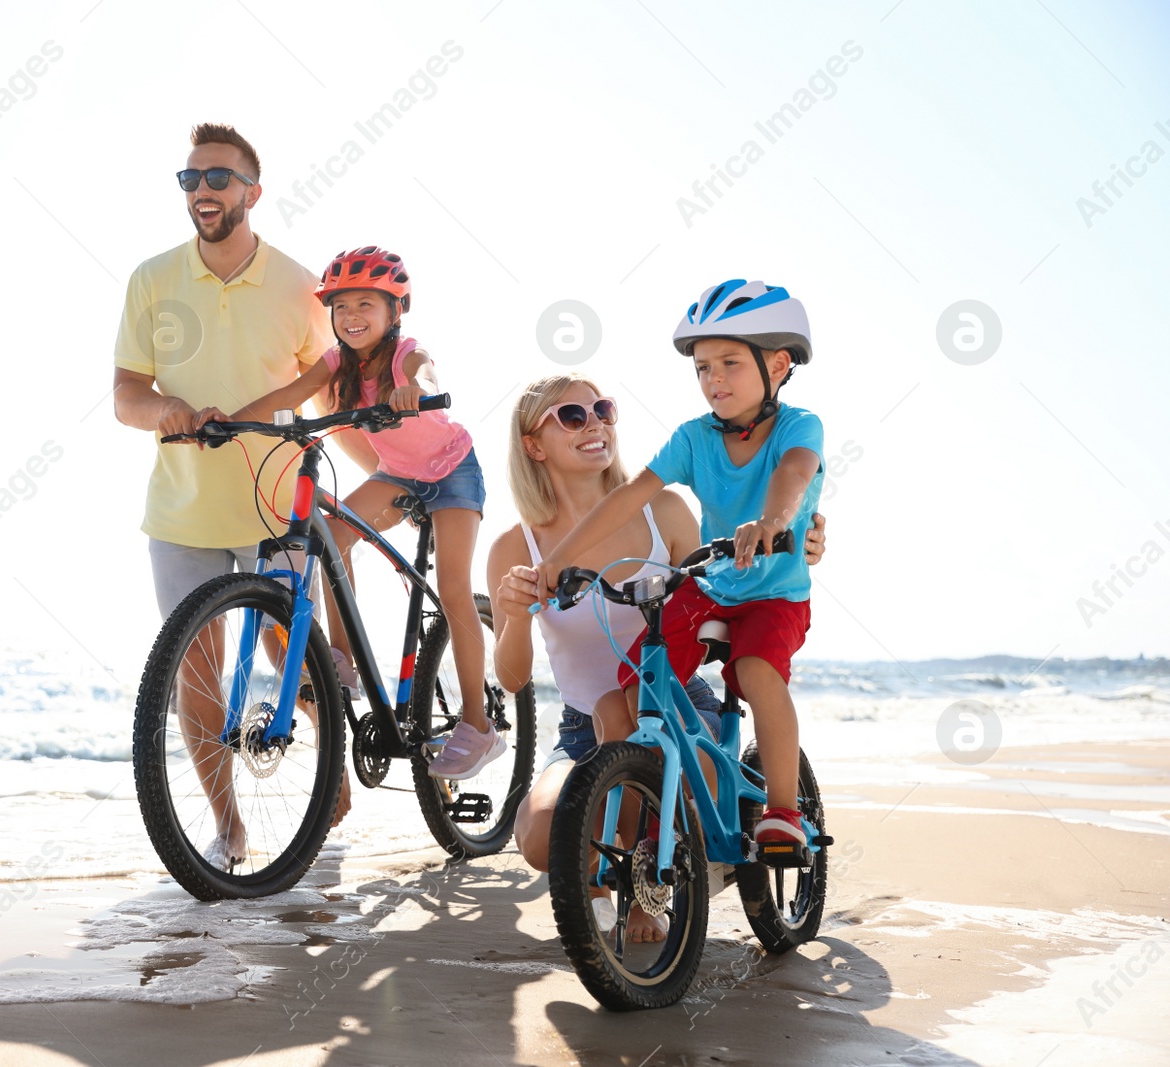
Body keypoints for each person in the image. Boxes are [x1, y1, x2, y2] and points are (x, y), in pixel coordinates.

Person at [493, 372, 826, 939]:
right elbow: (513, 677)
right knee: (543, 836)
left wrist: (798, 535)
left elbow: (724, 585)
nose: (595, 422)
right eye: (572, 416)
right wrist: (517, 614)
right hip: (583, 729)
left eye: (602, 409)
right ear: (533, 444)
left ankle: (658, 884)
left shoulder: (663, 513)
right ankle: (602, 885)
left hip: (675, 703)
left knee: (660, 750)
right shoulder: (514, 547)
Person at [535, 280, 824, 858]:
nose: (713, 379)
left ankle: (784, 813)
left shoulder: (799, 427)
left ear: (779, 364)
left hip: (774, 595)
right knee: (637, 685)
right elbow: (628, 494)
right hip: (711, 589)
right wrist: (562, 554)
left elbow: (793, 474)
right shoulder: (694, 437)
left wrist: (771, 521)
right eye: (702, 367)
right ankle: (666, 786)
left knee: (757, 670)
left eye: (730, 363)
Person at [112, 123, 333, 870]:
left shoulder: (301, 284)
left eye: (218, 178)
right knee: (195, 671)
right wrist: (165, 411)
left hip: (276, 503)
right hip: (183, 508)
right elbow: (126, 393)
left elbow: (330, 375)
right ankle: (230, 827)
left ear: (252, 191)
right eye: (190, 179)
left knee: (295, 650)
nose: (202, 191)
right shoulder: (152, 279)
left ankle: (331, 753)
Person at [229, 246, 498, 780]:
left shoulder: (405, 355)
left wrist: (413, 388)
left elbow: (425, 367)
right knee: (329, 535)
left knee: (451, 591)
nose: (351, 317)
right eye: (341, 306)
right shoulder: (337, 362)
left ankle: (477, 725)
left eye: (365, 305)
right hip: (396, 474)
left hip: (452, 472)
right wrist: (231, 423)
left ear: (396, 311)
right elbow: (290, 392)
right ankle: (342, 657)